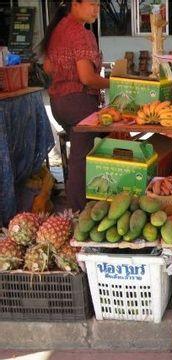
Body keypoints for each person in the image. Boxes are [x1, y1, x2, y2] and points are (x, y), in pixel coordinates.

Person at [41, 0, 108, 211]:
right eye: (92, 4)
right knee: (82, 158)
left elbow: (48, 66)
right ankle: (78, 212)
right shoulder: (79, 32)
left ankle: (81, 207)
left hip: (59, 103)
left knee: (80, 155)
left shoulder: (59, 28)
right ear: (75, 4)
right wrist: (116, 83)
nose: (96, 8)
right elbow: (87, 78)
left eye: (98, 4)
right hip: (78, 103)